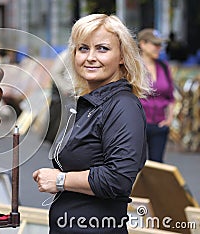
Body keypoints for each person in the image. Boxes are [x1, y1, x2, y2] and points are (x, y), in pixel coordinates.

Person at [33, 14, 152, 233]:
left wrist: (60, 180)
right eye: (83, 48)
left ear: (122, 56)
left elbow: (118, 179)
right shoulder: (91, 102)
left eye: (103, 49)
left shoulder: (123, 106)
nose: (90, 57)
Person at [138, 28, 175, 163]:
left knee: (157, 166)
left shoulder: (164, 67)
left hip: (159, 124)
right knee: (134, 166)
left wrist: (169, 119)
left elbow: (170, 96)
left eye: (160, 45)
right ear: (143, 44)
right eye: (155, 44)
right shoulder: (133, 67)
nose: (158, 48)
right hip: (137, 125)